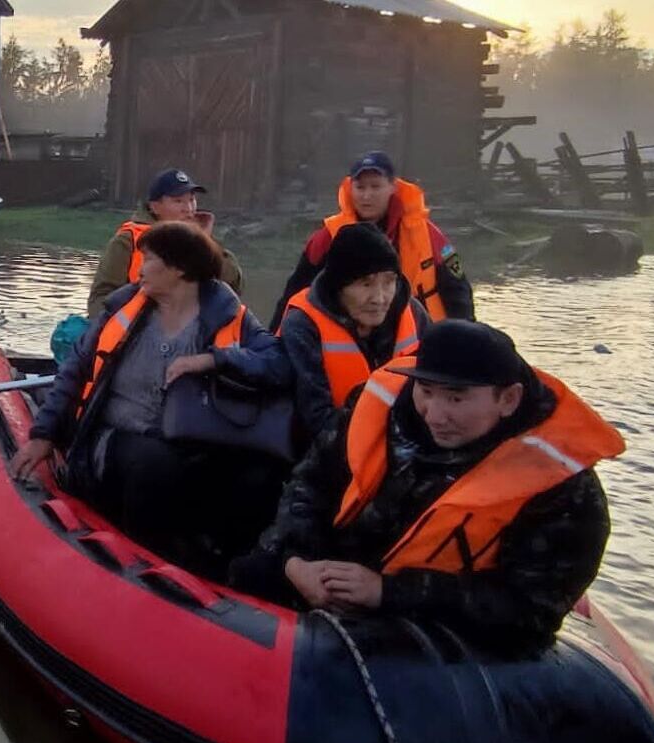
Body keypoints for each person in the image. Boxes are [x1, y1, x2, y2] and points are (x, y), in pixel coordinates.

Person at [230, 320, 624, 652]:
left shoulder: (564, 488)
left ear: (508, 399)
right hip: (327, 573)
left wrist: (387, 593)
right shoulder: (376, 410)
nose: (436, 415)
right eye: (427, 392)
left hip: (432, 627)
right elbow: (311, 484)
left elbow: (530, 608)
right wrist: (297, 561)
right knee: (247, 567)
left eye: (456, 399)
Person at [11, 221, 291, 569]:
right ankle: (150, 565)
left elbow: (278, 364)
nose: (140, 268)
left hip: (195, 440)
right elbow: (73, 372)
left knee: (259, 475)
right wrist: (43, 435)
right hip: (116, 438)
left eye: (149, 260)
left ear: (179, 269)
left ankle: (232, 568)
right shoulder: (123, 309)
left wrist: (214, 358)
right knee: (155, 463)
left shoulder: (228, 314)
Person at [269, 152, 473, 330]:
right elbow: (294, 294)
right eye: (360, 187)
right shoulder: (327, 238)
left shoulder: (430, 235)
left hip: (422, 337)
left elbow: (459, 290)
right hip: (355, 336)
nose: (367, 196)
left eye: (375, 187)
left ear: (393, 186)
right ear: (350, 188)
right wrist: (273, 341)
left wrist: (466, 338)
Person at [278, 222, 430, 435]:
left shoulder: (412, 312)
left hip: (405, 439)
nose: (379, 298)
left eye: (389, 282)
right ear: (338, 287)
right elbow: (315, 421)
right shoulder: (302, 325)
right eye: (366, 284)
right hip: (328, 449)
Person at [87, 168, 243, 318]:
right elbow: (99, 299)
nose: (188, 209)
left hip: (191, 333)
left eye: (192, 199)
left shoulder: (201, 239)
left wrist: (206, 243)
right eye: (178, 201)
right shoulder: (127, 241)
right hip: (136, 333)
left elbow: (233, 285)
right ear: (155, 207)